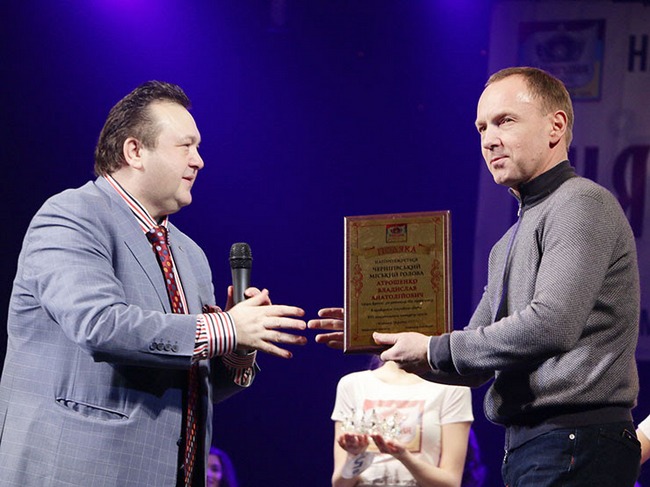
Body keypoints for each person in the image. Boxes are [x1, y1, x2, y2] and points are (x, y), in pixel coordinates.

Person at [310, 67, 641, 486]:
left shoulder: (581, 202)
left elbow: (551, 325)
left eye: (505, 121)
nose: (489, 139)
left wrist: (432, 347)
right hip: (534, 445)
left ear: (556, 126)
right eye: (482, 127)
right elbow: (472, 365)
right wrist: (377, 335)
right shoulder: (507, 242)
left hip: (577, 441)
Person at [0, 81, 307, 486]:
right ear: (135, 152)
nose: (199, 161)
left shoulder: (190, 255)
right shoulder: (71, 215)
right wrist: (225, 327)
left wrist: (237, 348)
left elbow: (189, 384)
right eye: (186, 146)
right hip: (78, 471)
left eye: (198, 148)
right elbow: (99, 324)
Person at [331, 354, 473, 487]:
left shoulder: (452, 388)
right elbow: (339, 483)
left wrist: (404, 457)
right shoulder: (353, 385)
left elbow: (451, 482)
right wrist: (356, 456)